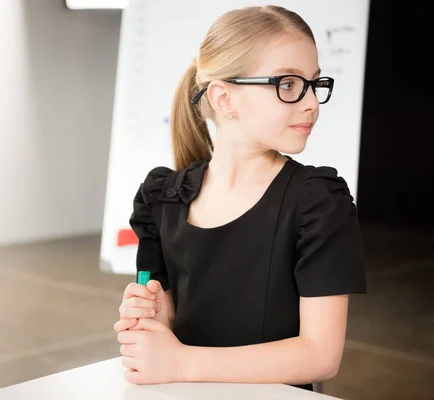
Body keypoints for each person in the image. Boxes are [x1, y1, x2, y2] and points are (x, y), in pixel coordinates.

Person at [113, 4, 367, 392]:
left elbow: (321, 354)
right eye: (288, 84)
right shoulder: (162, 199)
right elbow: (172, 332)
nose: (312, 102)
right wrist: (158, 320)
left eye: (314, 83)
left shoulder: (318, 203)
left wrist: (180, 361)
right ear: (224, 99)